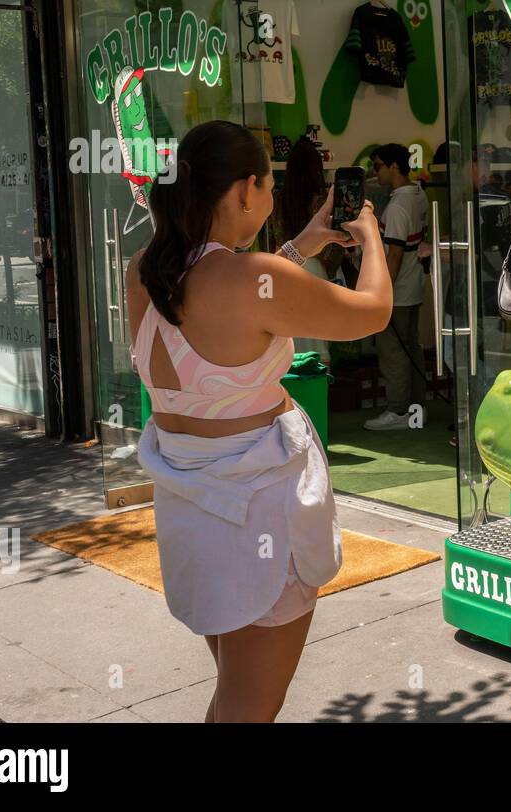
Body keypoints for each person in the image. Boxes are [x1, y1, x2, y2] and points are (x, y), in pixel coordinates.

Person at [124, 120, 391, 722]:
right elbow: (372, 311)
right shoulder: (248, 281)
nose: (269, 197)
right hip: (256, 520)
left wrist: (299, 248)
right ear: (247, 189)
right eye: (268, 186)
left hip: (193, 512)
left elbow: (234, 310)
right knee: (247, 712)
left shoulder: (143, 270)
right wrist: (370, 237)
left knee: (234, 699)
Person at [365, 142, 430, 430]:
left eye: (378, 166)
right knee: (411, 348)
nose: (374, 172)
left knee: (393, 352)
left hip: (399, 289)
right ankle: (415, 409)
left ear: (394, 166)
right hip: (412, 285)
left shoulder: (399, 206)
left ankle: (399, 411)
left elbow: (394, 253)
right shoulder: (418, 196)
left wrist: (382, 292)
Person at [275, 136, 341, 364]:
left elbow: (276, 236)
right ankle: (321, 391)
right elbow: (335, 244)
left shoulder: (279, 199)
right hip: (318, 272)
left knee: (294, 341)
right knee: (319, 340)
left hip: (286, 269)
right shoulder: (323, 200)